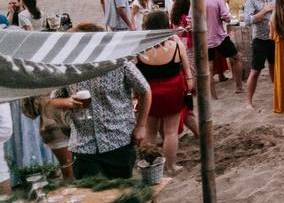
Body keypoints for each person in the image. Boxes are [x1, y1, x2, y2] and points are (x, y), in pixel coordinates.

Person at [51, 24, 151, 178]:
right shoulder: (68, 67)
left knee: (121, 193)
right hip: (83, 144)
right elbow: (54, 99)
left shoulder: (119, 63)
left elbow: (145, 91)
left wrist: (141, 126)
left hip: (118, 140)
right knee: (90, 196)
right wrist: (68, 101)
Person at [136, 11, 193, 174]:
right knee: (170, 131)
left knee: (149, 131)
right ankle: (170, 166)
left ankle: (148, 166)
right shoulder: (176, 46)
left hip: (149, 93)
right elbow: (187, 71)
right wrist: (189, 86)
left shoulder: (140, 48)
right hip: (172, 91)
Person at [197, 0, 243, 99]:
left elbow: (191, 21)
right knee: (237, 57)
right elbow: (226, 17)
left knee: (209, 67)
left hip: (204, 39)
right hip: (219, 36)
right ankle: (238, 87)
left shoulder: (195, 0)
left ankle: (213, 95)